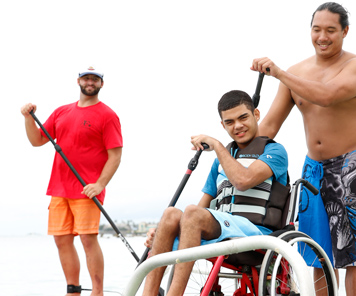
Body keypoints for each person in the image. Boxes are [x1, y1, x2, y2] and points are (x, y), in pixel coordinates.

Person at [250, 2, 356, 296]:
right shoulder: (296, 72)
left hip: (351, 167)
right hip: (312, 170)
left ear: (345, 31)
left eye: (331, 30)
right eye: (316, 29)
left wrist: (280, 73)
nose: (322, 36)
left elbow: (328, 96)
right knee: (318, 254)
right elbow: (268, 127)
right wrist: (229, 140)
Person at [142, 90, 289, 296]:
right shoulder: (221, 161)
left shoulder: (275, 151)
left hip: (256, 235)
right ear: (223, 125)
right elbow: (200, 210)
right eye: (229, 122)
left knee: (191, 212)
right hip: (223, 230)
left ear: (256, 114)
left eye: (243, 117)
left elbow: (243, 180)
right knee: (171, 215)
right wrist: (164, 233)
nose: (237, 126)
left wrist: (218, 146)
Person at [20, 67, 123, 296]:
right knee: (62, 240)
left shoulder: (108, 115)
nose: (90, 82)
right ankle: (73, 290)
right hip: (59, 188)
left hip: (87, 189)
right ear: (78, 81)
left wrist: (100, 184)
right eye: (86, 78)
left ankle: (97, 292)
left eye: (95, 79)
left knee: (88, 239)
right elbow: (37, 140)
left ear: (101, 84)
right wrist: (28, 118)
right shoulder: (61, 112)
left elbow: (115, 155)